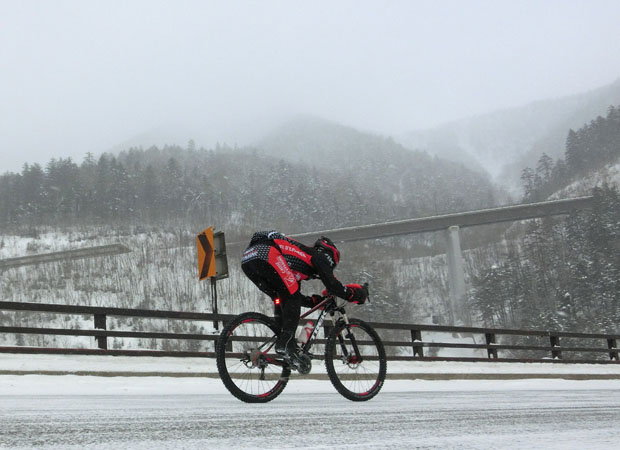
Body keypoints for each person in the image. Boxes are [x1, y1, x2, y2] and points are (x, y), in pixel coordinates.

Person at [241, 230, 368, 363]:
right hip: (267, 253)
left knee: (282, 297)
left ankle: (282, 339)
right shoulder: (320, 256)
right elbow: (333, 285)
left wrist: (312, 301)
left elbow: (292, 297)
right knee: (292, 297)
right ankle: (286, 342)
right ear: (332, 256)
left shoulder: (295, 261)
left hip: (248, 259)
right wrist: (354, 294)